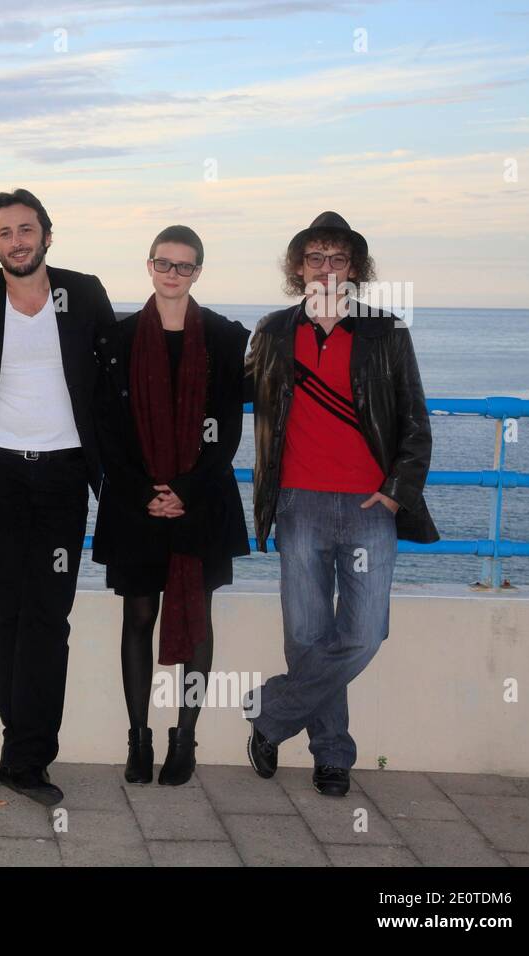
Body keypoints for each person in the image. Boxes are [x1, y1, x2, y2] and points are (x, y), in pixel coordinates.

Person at [244, 211, 438, 797]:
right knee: (306, 636)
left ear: (355, 269)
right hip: (298, 504)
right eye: (315, 259)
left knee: (362, 635)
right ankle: (332, 755)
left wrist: (396, 489)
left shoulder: (386, 333)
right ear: (297, 268)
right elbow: (234, 393)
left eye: (338, 259)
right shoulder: (275, 331)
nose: (326, 270)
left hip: (368, 509)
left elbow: (415, 424)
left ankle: (271, 714)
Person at [0, 188, 115, 806]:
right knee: (6, 613)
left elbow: (113, 367)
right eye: (4, 232)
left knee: (50, 617)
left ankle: (28, 757)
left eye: (26, 229)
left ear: (46, 233)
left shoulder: (83, 292)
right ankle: (20, 746)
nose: (17, 240)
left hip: (65, 476)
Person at [91, 225, 250, 787]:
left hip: (201, 501)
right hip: (135, 501)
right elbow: (107, 429)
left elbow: (226, 428)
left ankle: (186, 739)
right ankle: (139, 737)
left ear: (198, 272)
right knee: (138, 616)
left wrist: (187, 489)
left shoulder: (228, 340)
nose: (173, 273)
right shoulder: (117, 339)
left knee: (196, 620)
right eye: (164, 263)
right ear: (150, 265)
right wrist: (143, 492)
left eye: (184, 266)